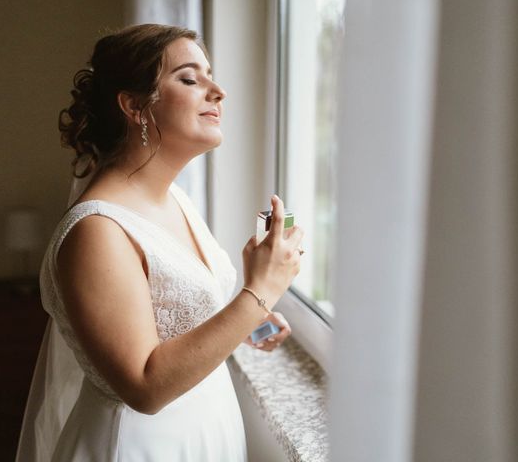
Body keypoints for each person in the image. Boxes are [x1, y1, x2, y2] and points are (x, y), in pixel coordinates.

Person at [15, 24, 303, 461]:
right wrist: (260, 292)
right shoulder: (96, 230)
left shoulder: (177, 201)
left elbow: (175, 319)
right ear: (134, 106)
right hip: (141, 446)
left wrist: (250, 320)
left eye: (211, 75)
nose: (218, 91)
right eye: (190, 79)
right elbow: (145, 386)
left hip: (206, 432)